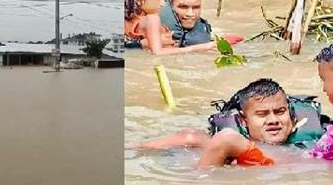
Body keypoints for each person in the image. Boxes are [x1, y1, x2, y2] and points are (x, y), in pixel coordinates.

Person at [139, 79, 328, 167]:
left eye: (280, 112)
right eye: (262, 114)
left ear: (291, 114)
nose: (273, 121)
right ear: (244, 120)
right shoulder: (225, 138)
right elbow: (191, 137)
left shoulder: (320, 142)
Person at [124, 0, 214, 55]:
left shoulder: (128, 19)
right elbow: (157, 53)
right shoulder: (153, 18)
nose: (163, 4)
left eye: (196, 7)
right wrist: (197, 48)